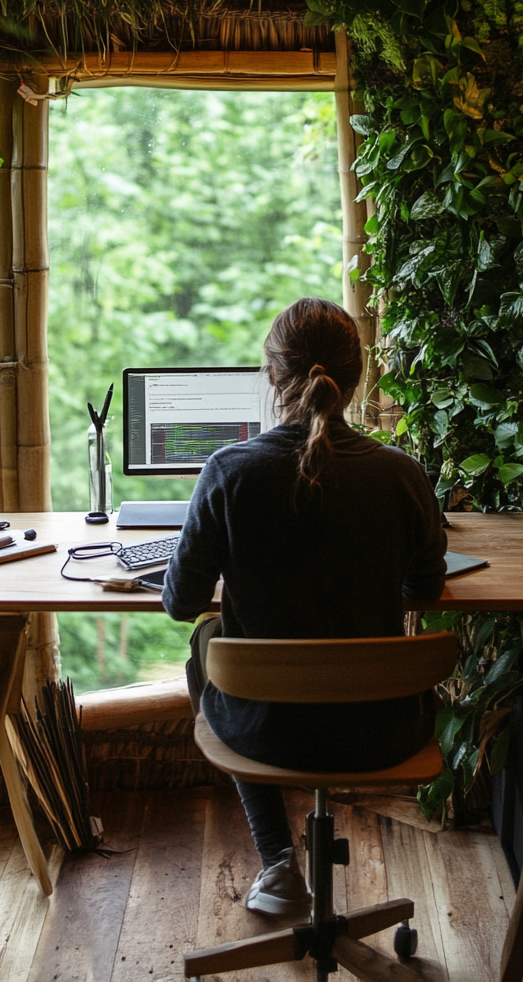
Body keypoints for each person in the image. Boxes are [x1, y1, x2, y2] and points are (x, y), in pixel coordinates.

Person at [162, 297, 447, 915]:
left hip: (262, 733)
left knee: (206, 640)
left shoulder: (228, 472)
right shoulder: (402, 475)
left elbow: (181, 602)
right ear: (357, 378)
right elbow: (424, 590)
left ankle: (278, 860)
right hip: (384, 729)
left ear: (270, 374)